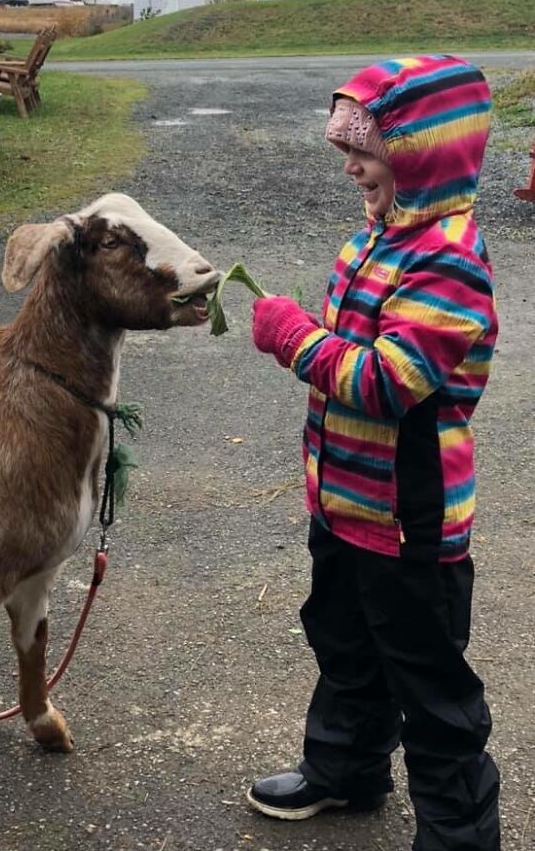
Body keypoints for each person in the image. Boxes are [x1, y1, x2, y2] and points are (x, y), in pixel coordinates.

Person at [247, 55, 501, 851]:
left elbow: (387, 381)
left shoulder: (450, 260)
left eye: (366, 147)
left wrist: (293, 336)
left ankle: (459, 835)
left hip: (409, 524)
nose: (351, 164)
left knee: (431, 690)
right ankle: (347, 770)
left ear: (423, 152)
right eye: (346, 148)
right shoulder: (376, 237)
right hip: (346, 504)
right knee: (344, 646)